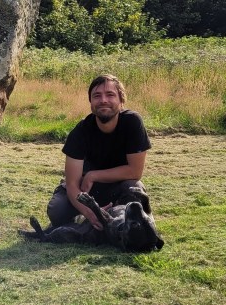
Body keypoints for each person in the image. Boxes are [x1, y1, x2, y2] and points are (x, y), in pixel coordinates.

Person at [46, 74, 151, 231]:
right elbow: (72, 184)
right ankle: (95, 219)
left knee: (135, 192)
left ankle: (120, 219)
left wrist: (93, 175)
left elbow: (135, 171)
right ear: (91, 102)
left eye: (110, 95)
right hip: (85, 190)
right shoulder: (80, 132)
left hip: (118, 186)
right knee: (57, 211)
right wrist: (90, 212)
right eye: (97, 96)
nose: (103, 100)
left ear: (121, 101)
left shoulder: (132, 122)